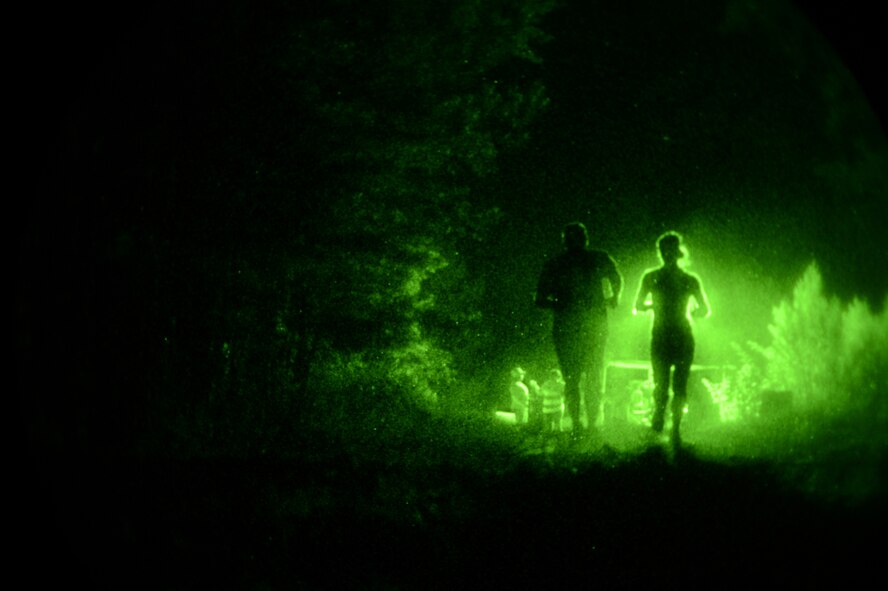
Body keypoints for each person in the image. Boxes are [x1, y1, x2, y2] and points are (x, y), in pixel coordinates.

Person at [535, 222, 622, 442]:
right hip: (590, 325)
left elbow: (540, 298)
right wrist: (613, 297)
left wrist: (558, 303)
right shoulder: (597, 258)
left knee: (574, 378)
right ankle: (587, 424)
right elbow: (616, 277)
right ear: (586, 239)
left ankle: (578, 424)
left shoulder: (556, 263)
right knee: (590, 375)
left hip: (569, 326)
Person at [633, 231, 710, 447]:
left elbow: (638, 306)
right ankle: (675, 429)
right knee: (679, 384)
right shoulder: (689, 279)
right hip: (683, 334)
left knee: (661, 382)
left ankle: (659, 421)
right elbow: (704, 310)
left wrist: (653, 306)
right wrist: (691, 312)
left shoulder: (651, 277)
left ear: (662, 253)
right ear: (678, 253)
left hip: (661, 334)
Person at [540, 368, 565, 434]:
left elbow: (564, 394)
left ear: (559, 376)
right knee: (548, 426)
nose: (553, 377)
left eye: (556, 375)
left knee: (558, 425)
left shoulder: (562, 385)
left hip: (558, 407)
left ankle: (558, 439)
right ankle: (549, 440)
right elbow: (540, 393)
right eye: (552, 375)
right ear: (550, 376)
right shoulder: (545, 384)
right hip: (547, 408)